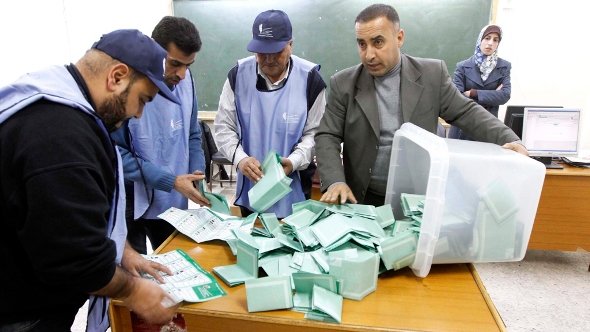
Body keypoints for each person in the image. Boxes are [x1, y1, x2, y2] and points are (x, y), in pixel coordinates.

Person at [0, 29, 179, 332]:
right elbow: (76, 260)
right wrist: (134, 291)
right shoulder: (61, 137)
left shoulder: (51, 98)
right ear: (117, 76)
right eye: (142, 100)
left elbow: (61, 218)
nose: (138, 114)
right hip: (22, 314)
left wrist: (123, 251)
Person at [314, 4, 527, 206]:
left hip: (416, 197)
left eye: (378, 42)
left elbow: (466, 112)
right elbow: (327, 134)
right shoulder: (344, 84)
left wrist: (509, 139)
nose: (369, 54)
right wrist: (335, 180)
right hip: (362, 197)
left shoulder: (431, 75)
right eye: (362, 44)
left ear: (399, 38)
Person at [214, 9, 326, 218]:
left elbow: (315, 134)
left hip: (295, 192)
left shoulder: (310, 80)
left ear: (290, 44)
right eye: (261, 52)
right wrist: (241, 160)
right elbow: (223, 128)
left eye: (276, 52)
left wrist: (293, 161)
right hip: (251, 190)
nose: (268, 59)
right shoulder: (238, 75)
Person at [111, 17, 209, 254]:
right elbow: (116, 155)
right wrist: (170, 181)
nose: (182, 74)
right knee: (135, 273)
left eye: (188, 65)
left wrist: (196, 172)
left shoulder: (186, 80)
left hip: (174, 202)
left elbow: (192, 133)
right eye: (175, 64)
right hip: (133, 203)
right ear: (154, 52)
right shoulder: (125, 88)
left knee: (173, 263)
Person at [448, 24, 511, 140]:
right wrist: (493, 95)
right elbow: (456, 98)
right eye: (487, 38)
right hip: (463, 129)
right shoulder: (462, 66)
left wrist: (473, 93)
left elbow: (505, 95)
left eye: (495, 40)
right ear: (480, 39)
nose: (491, 43)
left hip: (489, 129)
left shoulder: (504, 67)